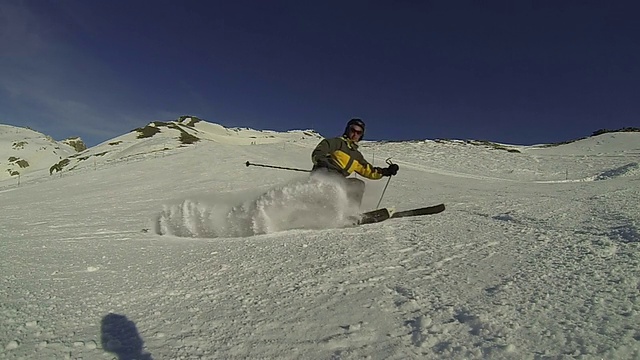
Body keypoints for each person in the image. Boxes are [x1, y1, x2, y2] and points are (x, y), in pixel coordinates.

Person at [311, 118, 399, 207]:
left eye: (359, 132)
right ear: (347, 130)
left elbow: (369, 171)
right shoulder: (336, 143)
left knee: (357, 184)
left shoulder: (356, 156)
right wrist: (321, 162)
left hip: (340, 179)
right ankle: (321, 207)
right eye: (353, 130)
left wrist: (386, 171)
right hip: (325, 174)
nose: (355, 134)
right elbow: (318, 153)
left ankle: (351, 213)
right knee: (336, 184)